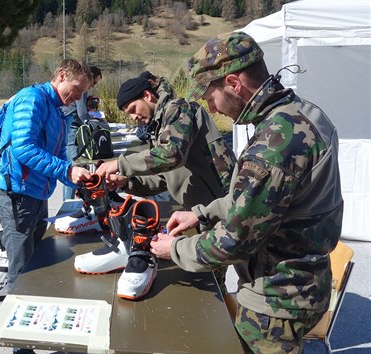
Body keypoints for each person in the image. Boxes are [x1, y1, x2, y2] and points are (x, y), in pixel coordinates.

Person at [150, 31, 343, 353]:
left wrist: (176, 248)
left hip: (276, 300)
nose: (211, 108)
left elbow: (233, 242)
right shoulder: (303, 114)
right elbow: (265, 200)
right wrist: (200, 213)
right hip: (306, 283)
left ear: (233, 83)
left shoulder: (273, 145)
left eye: (210, 96)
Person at [92, 74, 236, 298]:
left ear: (148, 95)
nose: (133, 117)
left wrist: (119, 164)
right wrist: (126, 182)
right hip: (197, 215)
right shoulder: (160, 127)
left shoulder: (179, 109)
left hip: (217, 212)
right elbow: (164, 177)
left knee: (212, 288)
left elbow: (171, 156)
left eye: (132, 109)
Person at [0, 59, 93, 293]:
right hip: (17, 196)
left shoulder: (57, 109)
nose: (79, 98)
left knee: (36, 261)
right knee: (21, 272)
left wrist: (75, 180)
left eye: (83, 93)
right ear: (61, 76)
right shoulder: (33, 98)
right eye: (77, 89)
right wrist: (67, 170)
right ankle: (13, 320)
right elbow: (24, 148)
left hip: (37, 195)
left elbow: (57, 153)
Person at [62, 65, 102, 200]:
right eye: (94, 82)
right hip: (72, 127)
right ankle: (68, 202)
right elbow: (81, 113)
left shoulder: (84, 90)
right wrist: (93, 120)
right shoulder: (82, 89)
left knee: (72, 165)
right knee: (74, 167)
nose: (93, 86)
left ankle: (71, 199)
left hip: (72, 125)